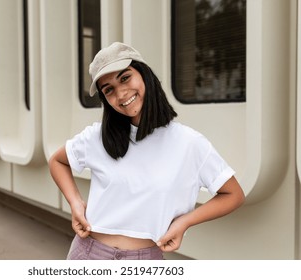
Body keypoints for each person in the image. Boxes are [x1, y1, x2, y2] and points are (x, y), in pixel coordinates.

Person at [48, 42, 245, 260]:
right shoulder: (97, 137)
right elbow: (57, 161)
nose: (121, 94)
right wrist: (76, 204)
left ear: (144, 75)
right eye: (109, 89)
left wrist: (184, 221)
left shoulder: (189, 143)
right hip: (88, 254)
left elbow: (233, 194)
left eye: (125, 78)